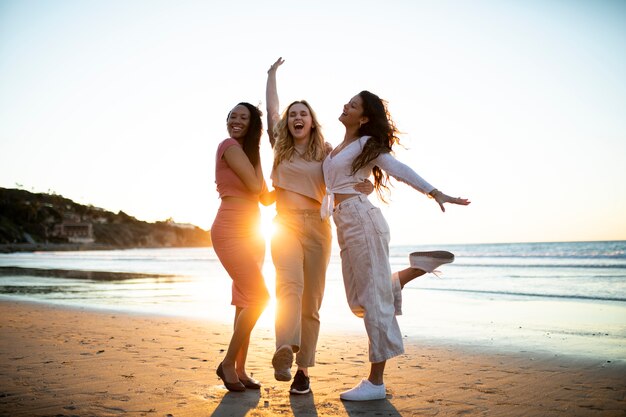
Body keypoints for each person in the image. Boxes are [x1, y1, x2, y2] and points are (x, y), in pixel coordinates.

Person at [322, 90, 470, 401]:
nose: (345, 106)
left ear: (363, 118)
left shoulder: (365, 145)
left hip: (363, 221)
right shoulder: (335, 149)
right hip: (344, 224)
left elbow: (398, 170)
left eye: (352, 105)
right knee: (358, 301)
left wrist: (435, 193)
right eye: (346, 102)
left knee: (374, 300)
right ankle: (419, 267)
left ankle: (376, 382)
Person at [265, 58, 375, 395]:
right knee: (289, 287)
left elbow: (350, 173)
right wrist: (270, 75)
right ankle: (284, 348)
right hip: (284, 227)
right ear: (288, 122)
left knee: (311, 303)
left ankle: (303, 372)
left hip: (317, 229)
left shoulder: (326, 153)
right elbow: (271, 111)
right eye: (293, 114)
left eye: (304, 114)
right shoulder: (280, 147)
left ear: (312, 122)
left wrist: (363, 185)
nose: (297, 117)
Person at [211, 102, 271, 392]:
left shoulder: (250, 153)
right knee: (260, 297)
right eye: (232, 116)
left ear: (252, 125)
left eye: (243, 117)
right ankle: (227, 363)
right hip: (230, 229)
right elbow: (255, 186)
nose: (235, 120)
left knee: (245, 300)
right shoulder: (228, 145)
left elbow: (265, 198)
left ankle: (240, 368)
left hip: (253, 232)